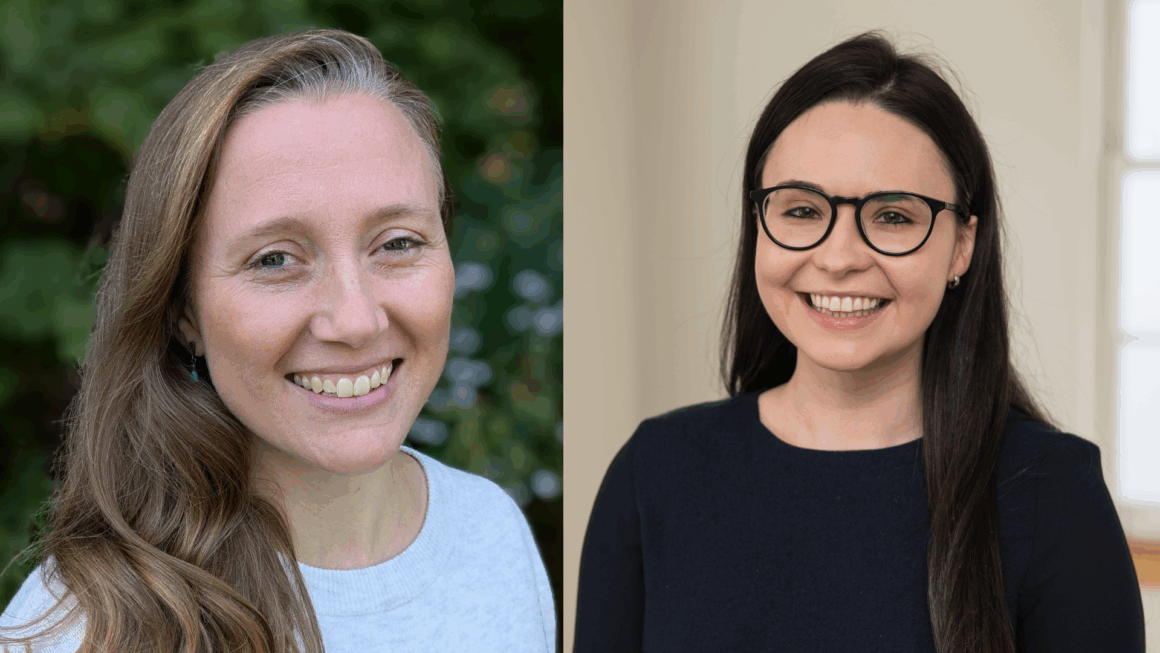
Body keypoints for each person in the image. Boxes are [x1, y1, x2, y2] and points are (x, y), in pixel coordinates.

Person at [574, 31, 1144, 653]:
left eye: (893, 217)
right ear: (757, 224)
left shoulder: (1053, 491)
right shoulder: (654, 472)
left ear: (962, 246)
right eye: (801, 211)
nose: (839, 257)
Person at [0, 30, 555, 653]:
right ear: (183, 312)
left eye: (398, 243)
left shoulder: (490, 529)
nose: (355, 321)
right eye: (274, 260)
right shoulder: (85, 630)